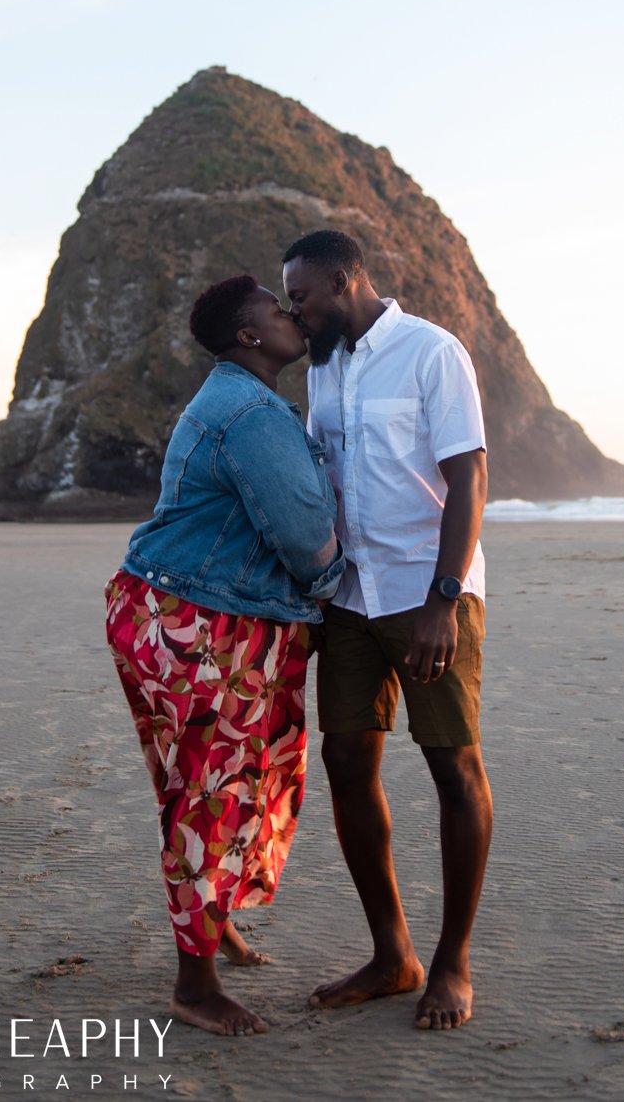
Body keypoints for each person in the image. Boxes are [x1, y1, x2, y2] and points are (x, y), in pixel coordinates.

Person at [105, 275, 344, 1037]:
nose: (291, 315)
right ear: (250, 336)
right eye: (277, 311)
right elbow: (304, 534)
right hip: (203, 623)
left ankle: (212, 924)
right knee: (210, 793)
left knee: (208, 784)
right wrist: (339, 592)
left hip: (175, 609)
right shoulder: (249, 414)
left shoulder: (233, 398)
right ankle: (193, 986)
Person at [281, 229, 492, 1032]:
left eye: (301, 296)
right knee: (343, 759)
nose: (296, 313)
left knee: (452, 766)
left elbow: (468, 475)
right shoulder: (323, 369)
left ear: (343, 279)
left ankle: (451, 962)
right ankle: (391, 953)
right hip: (349, 598)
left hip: (426, 594)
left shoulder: (432, 353)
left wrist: (442, 600)